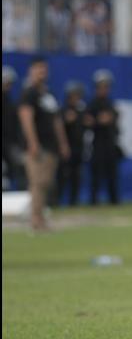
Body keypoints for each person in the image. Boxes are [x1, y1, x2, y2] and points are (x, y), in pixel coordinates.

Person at [18, 58, 70, 231]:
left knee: (46, 183)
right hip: (38, 146)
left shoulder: (48, 94)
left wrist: (63, 142)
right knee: (37, 182)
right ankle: (36, 220)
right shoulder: (29, 93)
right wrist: (32, 142)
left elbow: (56, 121)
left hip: (51, 145)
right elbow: (26, 118)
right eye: (38, 69)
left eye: (44, 69)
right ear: (31, 71)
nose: (42, 72)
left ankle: (40, 216)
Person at [86, 69, 121, 205]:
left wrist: (107, 119)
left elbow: (114, 118)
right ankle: (94, 201)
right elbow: (88, 121)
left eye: (107, 86)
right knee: (96, 175)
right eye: (102, 86)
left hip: (110, 144)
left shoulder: (110, 103)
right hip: (98, 144)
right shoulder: (92, 104)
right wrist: (99, 120)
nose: (105, 89)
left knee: (112, 174)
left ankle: (114, 201)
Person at [58, 80, 87, 206]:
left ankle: (73, 202)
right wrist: (66, 121)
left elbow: (86, 124)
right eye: (74, 94)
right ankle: (57, 201)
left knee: (76, 177)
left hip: (78, 149)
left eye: (78, 95)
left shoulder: (81, 110)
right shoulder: (63, 110)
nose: (76, 97)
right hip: (66, 148)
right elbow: (58, 128)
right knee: (62, 176)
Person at [2, 65, 25, 190]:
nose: (9, 86)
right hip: (6, 143)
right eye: (7, 82)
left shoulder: (10, 101)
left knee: (18, 170)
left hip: (11, 143)